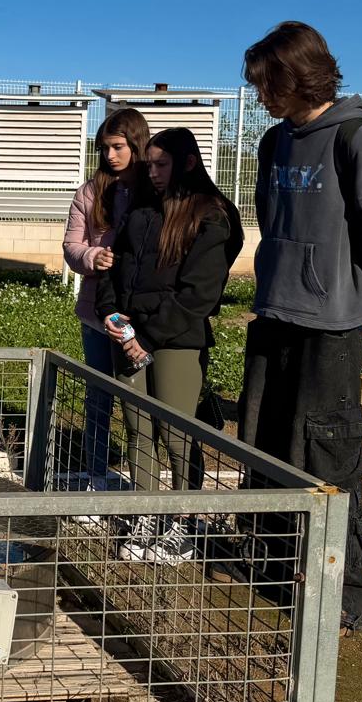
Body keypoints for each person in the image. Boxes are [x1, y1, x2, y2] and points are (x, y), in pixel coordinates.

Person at [239, 21, 362, 634]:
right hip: (274, 315)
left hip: (330, 330)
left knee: (328, 457)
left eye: (267, 84)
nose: (260, 96)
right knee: (265, 447)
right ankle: (273, 569)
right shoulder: (273, 143)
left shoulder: (354, 138)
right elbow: (273, 219)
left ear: (300, 77)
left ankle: (345, 594)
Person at [95, 128, 242, 562]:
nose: (153, 172)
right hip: (128, 337)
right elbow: (114, 265)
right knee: (138, 429)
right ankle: (145, 513)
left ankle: (183, 524)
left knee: (176, 434)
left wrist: (148, 338)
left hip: (176, 341)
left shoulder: (210, 215)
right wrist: (109, 311)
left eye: (162, 164)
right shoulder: (141, 209)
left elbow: (199, 293)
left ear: (188, 163)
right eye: (151, 165)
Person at [62, 108, 150, 490]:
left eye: (118, 147)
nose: (110, 155)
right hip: (96, 314)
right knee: (98, 398)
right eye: (104, 148)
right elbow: (71, 246)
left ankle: (144, 487)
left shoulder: (154, 189)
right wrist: (92, 257)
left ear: (137, 144)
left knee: (139, 404)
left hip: (140, 317)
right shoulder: (90, 191)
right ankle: (96, 477)